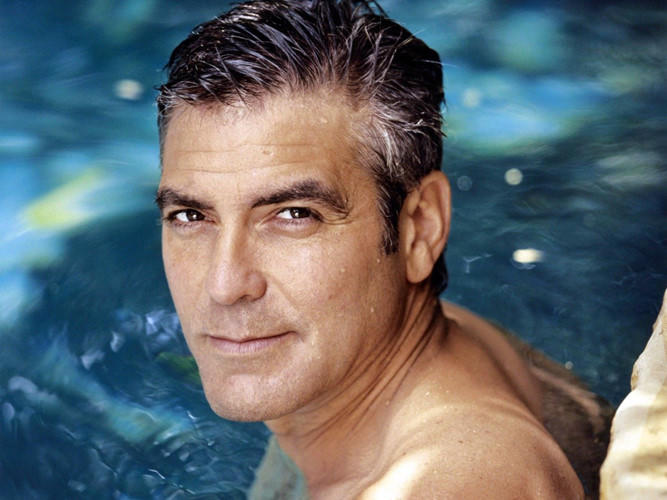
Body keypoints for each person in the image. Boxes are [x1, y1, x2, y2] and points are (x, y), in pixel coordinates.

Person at [155, 1, 611, 498]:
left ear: (419, 228)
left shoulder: (455, 481)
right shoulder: (378, 353)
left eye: (294, 214)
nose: (224, 285)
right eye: (191, 216)